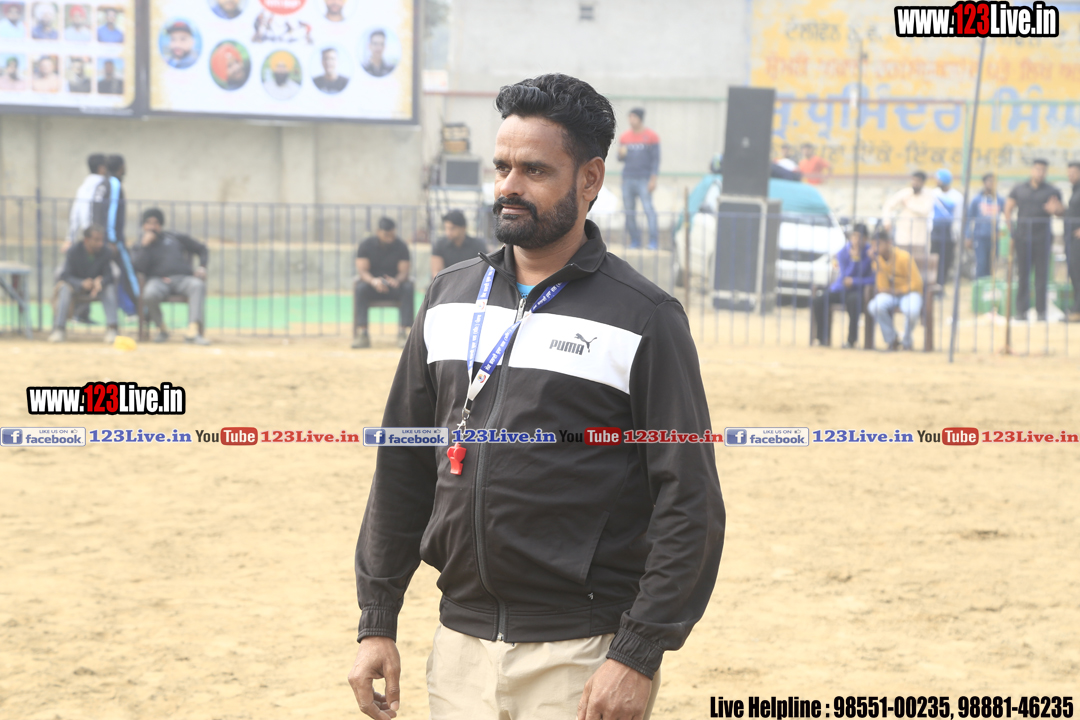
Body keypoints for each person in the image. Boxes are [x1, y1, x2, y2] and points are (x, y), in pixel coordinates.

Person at [348, 73, 725, 720]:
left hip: (581, 659)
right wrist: (376, 620)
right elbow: (402, 466)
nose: (509, 186)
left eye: (534, 170)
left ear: (590, 179)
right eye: (502, 167)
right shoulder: (448, 297)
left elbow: (689, 502)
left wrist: (636, 654)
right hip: (459, 649)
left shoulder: (644, 317)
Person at [133, 208, 211, 345]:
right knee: (149, 294)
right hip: (157, 281)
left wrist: (202, 267)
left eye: (156, 223)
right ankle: (162, 329)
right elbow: (138, 268)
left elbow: (202, 249)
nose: (152, 227)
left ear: (161, 225)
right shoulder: (139, 245)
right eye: (148, 223)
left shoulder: (174, 237)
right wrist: (144, 246)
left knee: (197, 285)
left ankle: (193, 331)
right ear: (143, 225)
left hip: (182, 279)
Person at [1003, 159, 1061, 321]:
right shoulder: (1019, 189)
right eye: (1037, 169)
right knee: (1023, 275)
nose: (1040, 173)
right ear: (1032, 170)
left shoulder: (1052, 190)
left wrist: (1056, 210)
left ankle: (1041, 311)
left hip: (1043, 238)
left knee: (1041, 276)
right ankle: (1021, 311)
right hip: (1022, 238)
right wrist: (1012, 231)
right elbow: (1008, 208)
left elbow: (1059, 210)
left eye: (1043, 170)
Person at [49, 225, 119, 344]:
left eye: (101, 240)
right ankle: (59, 329)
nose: (100, 243)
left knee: (110, 289)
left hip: (97, 289)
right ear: (86, 240)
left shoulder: (106, 252)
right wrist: (81, 283)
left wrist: (100, 282)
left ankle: (112, 329)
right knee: (64, 288)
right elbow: (65, 276)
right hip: (76, 288)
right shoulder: (73, 251)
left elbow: (110, 276)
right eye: (96, 240)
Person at [352, 216, 412, 349]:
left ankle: (403, 333)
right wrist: (374, 281)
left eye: (392, 235)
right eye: (386, 235)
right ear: (378, 232)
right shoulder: (366, 245)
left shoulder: (401, 246)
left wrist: (396, 280)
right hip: (372, 286)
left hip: (394, 286)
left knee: (407, 288)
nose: (389, 238)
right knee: (360, 288)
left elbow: (404, 271)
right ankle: (363, 333)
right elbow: (362, 271)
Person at [811, 223, 874, 347]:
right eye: (854, 236)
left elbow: (872, 279)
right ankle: (822, 338)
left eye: (860, 237)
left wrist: (854, 280)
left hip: (859, 291)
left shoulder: (870, 253)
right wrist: (854, 259)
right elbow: (845, 276)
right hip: (841, 289)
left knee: (854, 301)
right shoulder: (843, 252)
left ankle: (851, 341)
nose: (856, 240)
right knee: (819, 300)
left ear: (866, 239)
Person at [92, 154, 140, 317]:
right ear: (121, 167)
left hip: (98, 239)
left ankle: (129, 309)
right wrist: (111, 240)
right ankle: (139, 310)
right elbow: (111, 212)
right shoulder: (113, 184)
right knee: (128, 273)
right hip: (111, 240)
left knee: (111, 274)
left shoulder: (101, 184)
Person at [868, 228, 924, 351]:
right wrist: (879, 265)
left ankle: (907, 341)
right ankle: (892, 339)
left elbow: (917, 283)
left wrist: (899, 290)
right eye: (873, 245)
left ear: (888, 243)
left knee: (912, 311)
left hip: (910, 293)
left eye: (878, 244)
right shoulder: (877, 261)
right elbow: (882, 287)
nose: (875, 248)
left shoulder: (904, 257)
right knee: (874, 306)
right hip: (891, 295)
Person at [617, 107, 660, 249]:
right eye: (629, 117)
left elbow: (656, 160)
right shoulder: (625, 137)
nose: (630, 120)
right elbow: (620, 158)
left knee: (648, 209)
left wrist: (653, 179)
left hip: (644, 179)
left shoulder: (651, 136)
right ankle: (635, 241)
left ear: (640, 119)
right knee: (629, 211)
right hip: (628, 179)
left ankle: (653, 241)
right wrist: (620, 154)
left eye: (633, 117)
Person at [1051, 161, 1080, 321]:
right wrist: (1060, 211)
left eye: (1074, 172)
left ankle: (1077, 310)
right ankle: (1077, 309)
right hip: (1071, 238)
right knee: (1074, 274)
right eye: (1069, 173)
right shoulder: (1075, 190)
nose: (1070, 175)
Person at [881, 170, 933, 257]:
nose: (915, 183)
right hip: (903, 237)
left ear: (923, 182)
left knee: (917, 262)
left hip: (919, 239)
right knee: (902, 260)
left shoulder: (928, 195)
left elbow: (925, 211)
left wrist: (909, 205)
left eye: (918, 181)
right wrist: (887, 221)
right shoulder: (905, 193)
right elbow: (888, 205)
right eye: (913, 180)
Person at [966, 172, 1004, 279]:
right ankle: (979, 284)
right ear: (984, 183)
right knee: (981, 263)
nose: (991, 184)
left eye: (994, 181)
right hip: (980, 237)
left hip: (994, 238)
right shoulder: (977, 200)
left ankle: (988, 285)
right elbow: (968, 218)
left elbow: (1007, 215)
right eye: (989, 181)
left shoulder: (999, 200)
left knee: (992, 264)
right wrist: (968, 236)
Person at [930, 168, 963, 286]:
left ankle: (941, 284)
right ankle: (933, 284)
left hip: (949, 232)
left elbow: (958, 216)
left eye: (938, 179)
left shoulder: (957, 197)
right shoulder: (933, 194)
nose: (936, 181)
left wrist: (957, 234)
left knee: (946, 259)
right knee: (934, 258)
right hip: (935, 231)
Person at [430, 209, 486, 277]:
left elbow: (483, 270)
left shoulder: (477, 245)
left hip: (472, 281)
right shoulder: (440, 245)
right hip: (448, 282)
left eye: (452, 228)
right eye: (446, 228)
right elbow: (436, 273)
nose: (448, 232)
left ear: (463, 228)